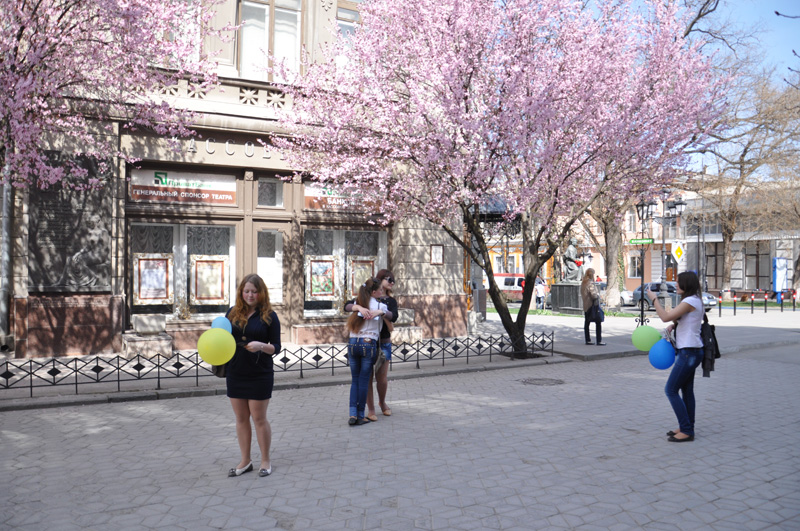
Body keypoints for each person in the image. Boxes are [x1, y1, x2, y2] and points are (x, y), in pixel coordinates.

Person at [224, 274, 281, 477]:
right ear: (241, 292)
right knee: (241, 419)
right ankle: (245, 461)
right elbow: (222, 338)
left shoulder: (270, 316)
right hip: (236, 372)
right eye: (246, 291)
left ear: (261, 293)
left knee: (259, 418)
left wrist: (261, 346)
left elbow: (276, 347)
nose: (250, 295)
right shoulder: (232, 313)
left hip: (259, 374)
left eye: (254, 292)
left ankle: (265, 460)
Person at [646, 271, 704, 442]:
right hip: (691, 351)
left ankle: (686, 430)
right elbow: (685, 320)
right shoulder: (695, 300)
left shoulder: (689, 301)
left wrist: (654, 299)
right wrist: (675, 325)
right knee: (686, 391)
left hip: (689, 353)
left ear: (687, 284)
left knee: (670, 390)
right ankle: (687, 426)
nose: (676, 285)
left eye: (679, 282)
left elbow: (664, 317)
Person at [346, 270, 398, 421]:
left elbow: (393, 316)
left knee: (360, 379)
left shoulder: (362, 301)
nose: (391, 282)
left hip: (358, 343)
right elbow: (347, 305)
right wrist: (374, 310)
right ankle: (364, 412)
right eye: (388, 279)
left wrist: (360, 308)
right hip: (368, 344)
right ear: (376, 289)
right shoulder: (374, 303)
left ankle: (355, 413)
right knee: (364, 379)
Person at [580, 268, 605, 346]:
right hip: (592, 305)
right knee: (598, 322)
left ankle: (588, 339)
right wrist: (598, 296)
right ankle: (599, 340)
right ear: (591, 274)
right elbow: (593, 295)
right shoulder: (590, 283)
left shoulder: (583, 283)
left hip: (586, 305)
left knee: (587, 323)